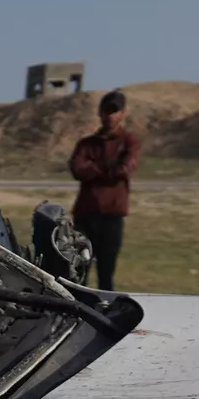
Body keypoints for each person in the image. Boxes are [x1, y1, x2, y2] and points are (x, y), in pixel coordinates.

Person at [66, 90, 142, 291]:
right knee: (79, 270)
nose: (110, 116)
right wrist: (109, 168)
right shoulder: (86, 143)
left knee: (106, 274)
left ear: (123, 113)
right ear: (99, 113)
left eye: (114, 111)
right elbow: (77, 168)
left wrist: (94, 168)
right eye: (106, 111)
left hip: (111, 215)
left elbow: (125, 169)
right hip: (86, 213)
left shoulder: (129, 142)